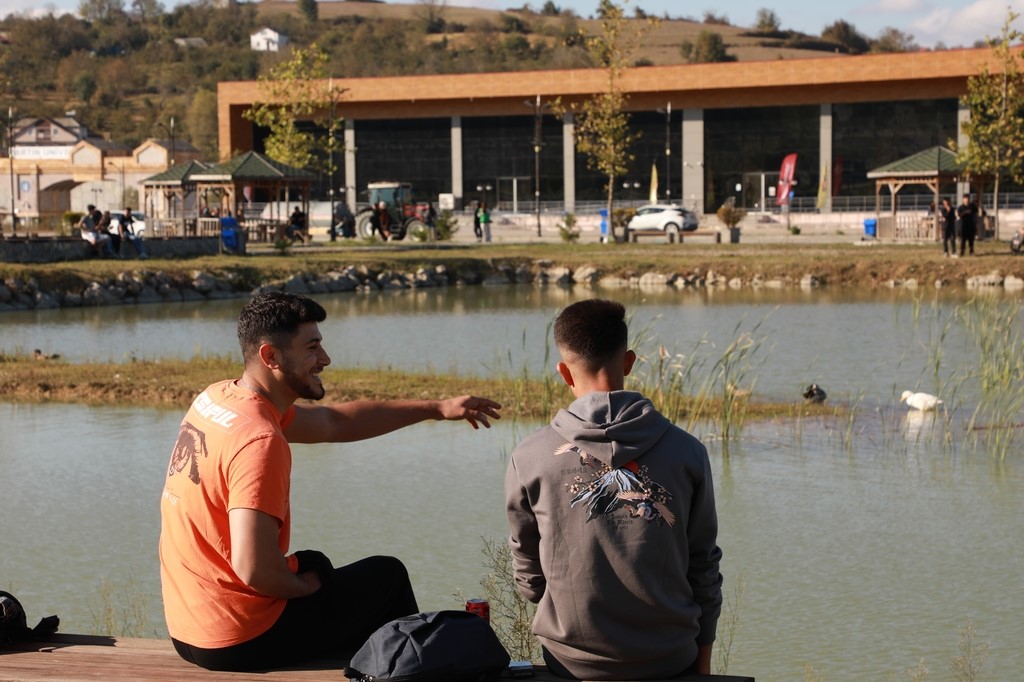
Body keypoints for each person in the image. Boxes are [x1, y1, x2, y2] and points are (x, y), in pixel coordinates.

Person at [159, 292, 502, 673]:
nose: (325, 359)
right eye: (312, 347)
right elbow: (253, 568)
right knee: (385, 578)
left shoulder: (220, 399)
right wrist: (307, 587)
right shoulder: (260, 440)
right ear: (271, 356)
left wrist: (436, 409)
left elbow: (334, 423)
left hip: (189, 629)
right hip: (240, 636)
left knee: (321, 569)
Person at [504, 299, 723, 681]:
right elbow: (703, 568)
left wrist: (570, 613)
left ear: (563, 372)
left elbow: (528, 574)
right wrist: (701, 662)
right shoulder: (688, 451)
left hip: (570, 661)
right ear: (629, 362)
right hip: (670, 658)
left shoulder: (530, 456)